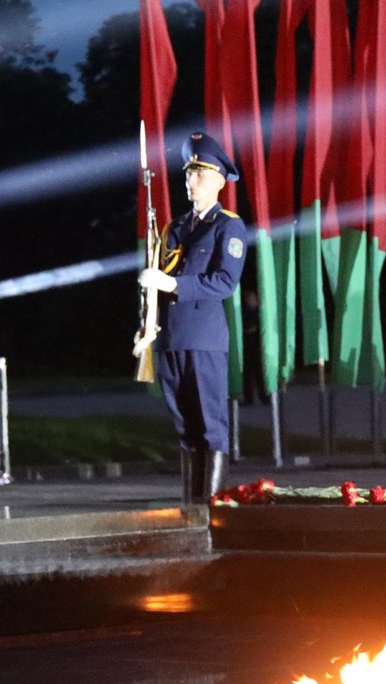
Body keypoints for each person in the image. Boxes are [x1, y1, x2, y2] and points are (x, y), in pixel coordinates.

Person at [139, 131, 248, 506]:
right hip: (170, 338)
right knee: (185, 427)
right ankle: (191, 506)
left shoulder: (227, 226)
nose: (191, 181)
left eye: (200, 174)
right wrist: (146, 323)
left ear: (219, 180)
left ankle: (212, 509)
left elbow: (224, 282)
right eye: (188, 173)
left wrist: (171, 283)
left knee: (210, 425)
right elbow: (155, 283)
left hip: (203, 338)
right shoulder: (174, 228)